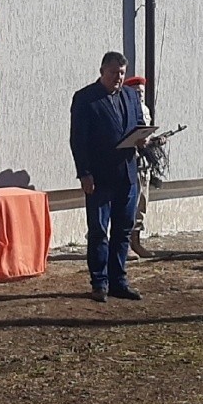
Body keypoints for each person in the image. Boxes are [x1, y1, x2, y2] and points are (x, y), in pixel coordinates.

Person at [70, 52, 146, 302]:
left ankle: (118, 281)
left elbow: (136, 124)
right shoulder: (85, 99)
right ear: (102, 70)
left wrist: (143, 139)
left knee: (123, 229)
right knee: (99, 231)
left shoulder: (130, 95)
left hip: (127, 174)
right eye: (114, 73)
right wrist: (84, 173)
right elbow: (78, 140)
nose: (118, 78)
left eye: (122, 73)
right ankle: (99, 283)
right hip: (99, 176)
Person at [123, 75, 162, 259]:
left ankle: (136, 242)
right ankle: (126, 245)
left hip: (143, 163)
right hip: (131, 162)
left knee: (142, 204)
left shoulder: (144, 110)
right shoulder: (124, 108)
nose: (139, 95)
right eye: (136, 92)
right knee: (129, 204)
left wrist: (155, 140)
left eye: (141, 92)